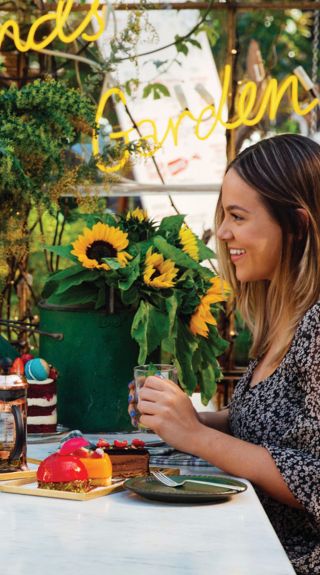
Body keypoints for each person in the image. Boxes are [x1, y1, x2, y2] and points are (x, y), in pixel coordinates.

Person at [131, 134, 320, 575]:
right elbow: (271, 435)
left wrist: (198, 438)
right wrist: (186, 417)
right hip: (243, 543)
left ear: (297, 224)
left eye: (237, 216)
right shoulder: (283, 320)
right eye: (223, 215)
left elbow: (315, 475)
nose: (222, 232)